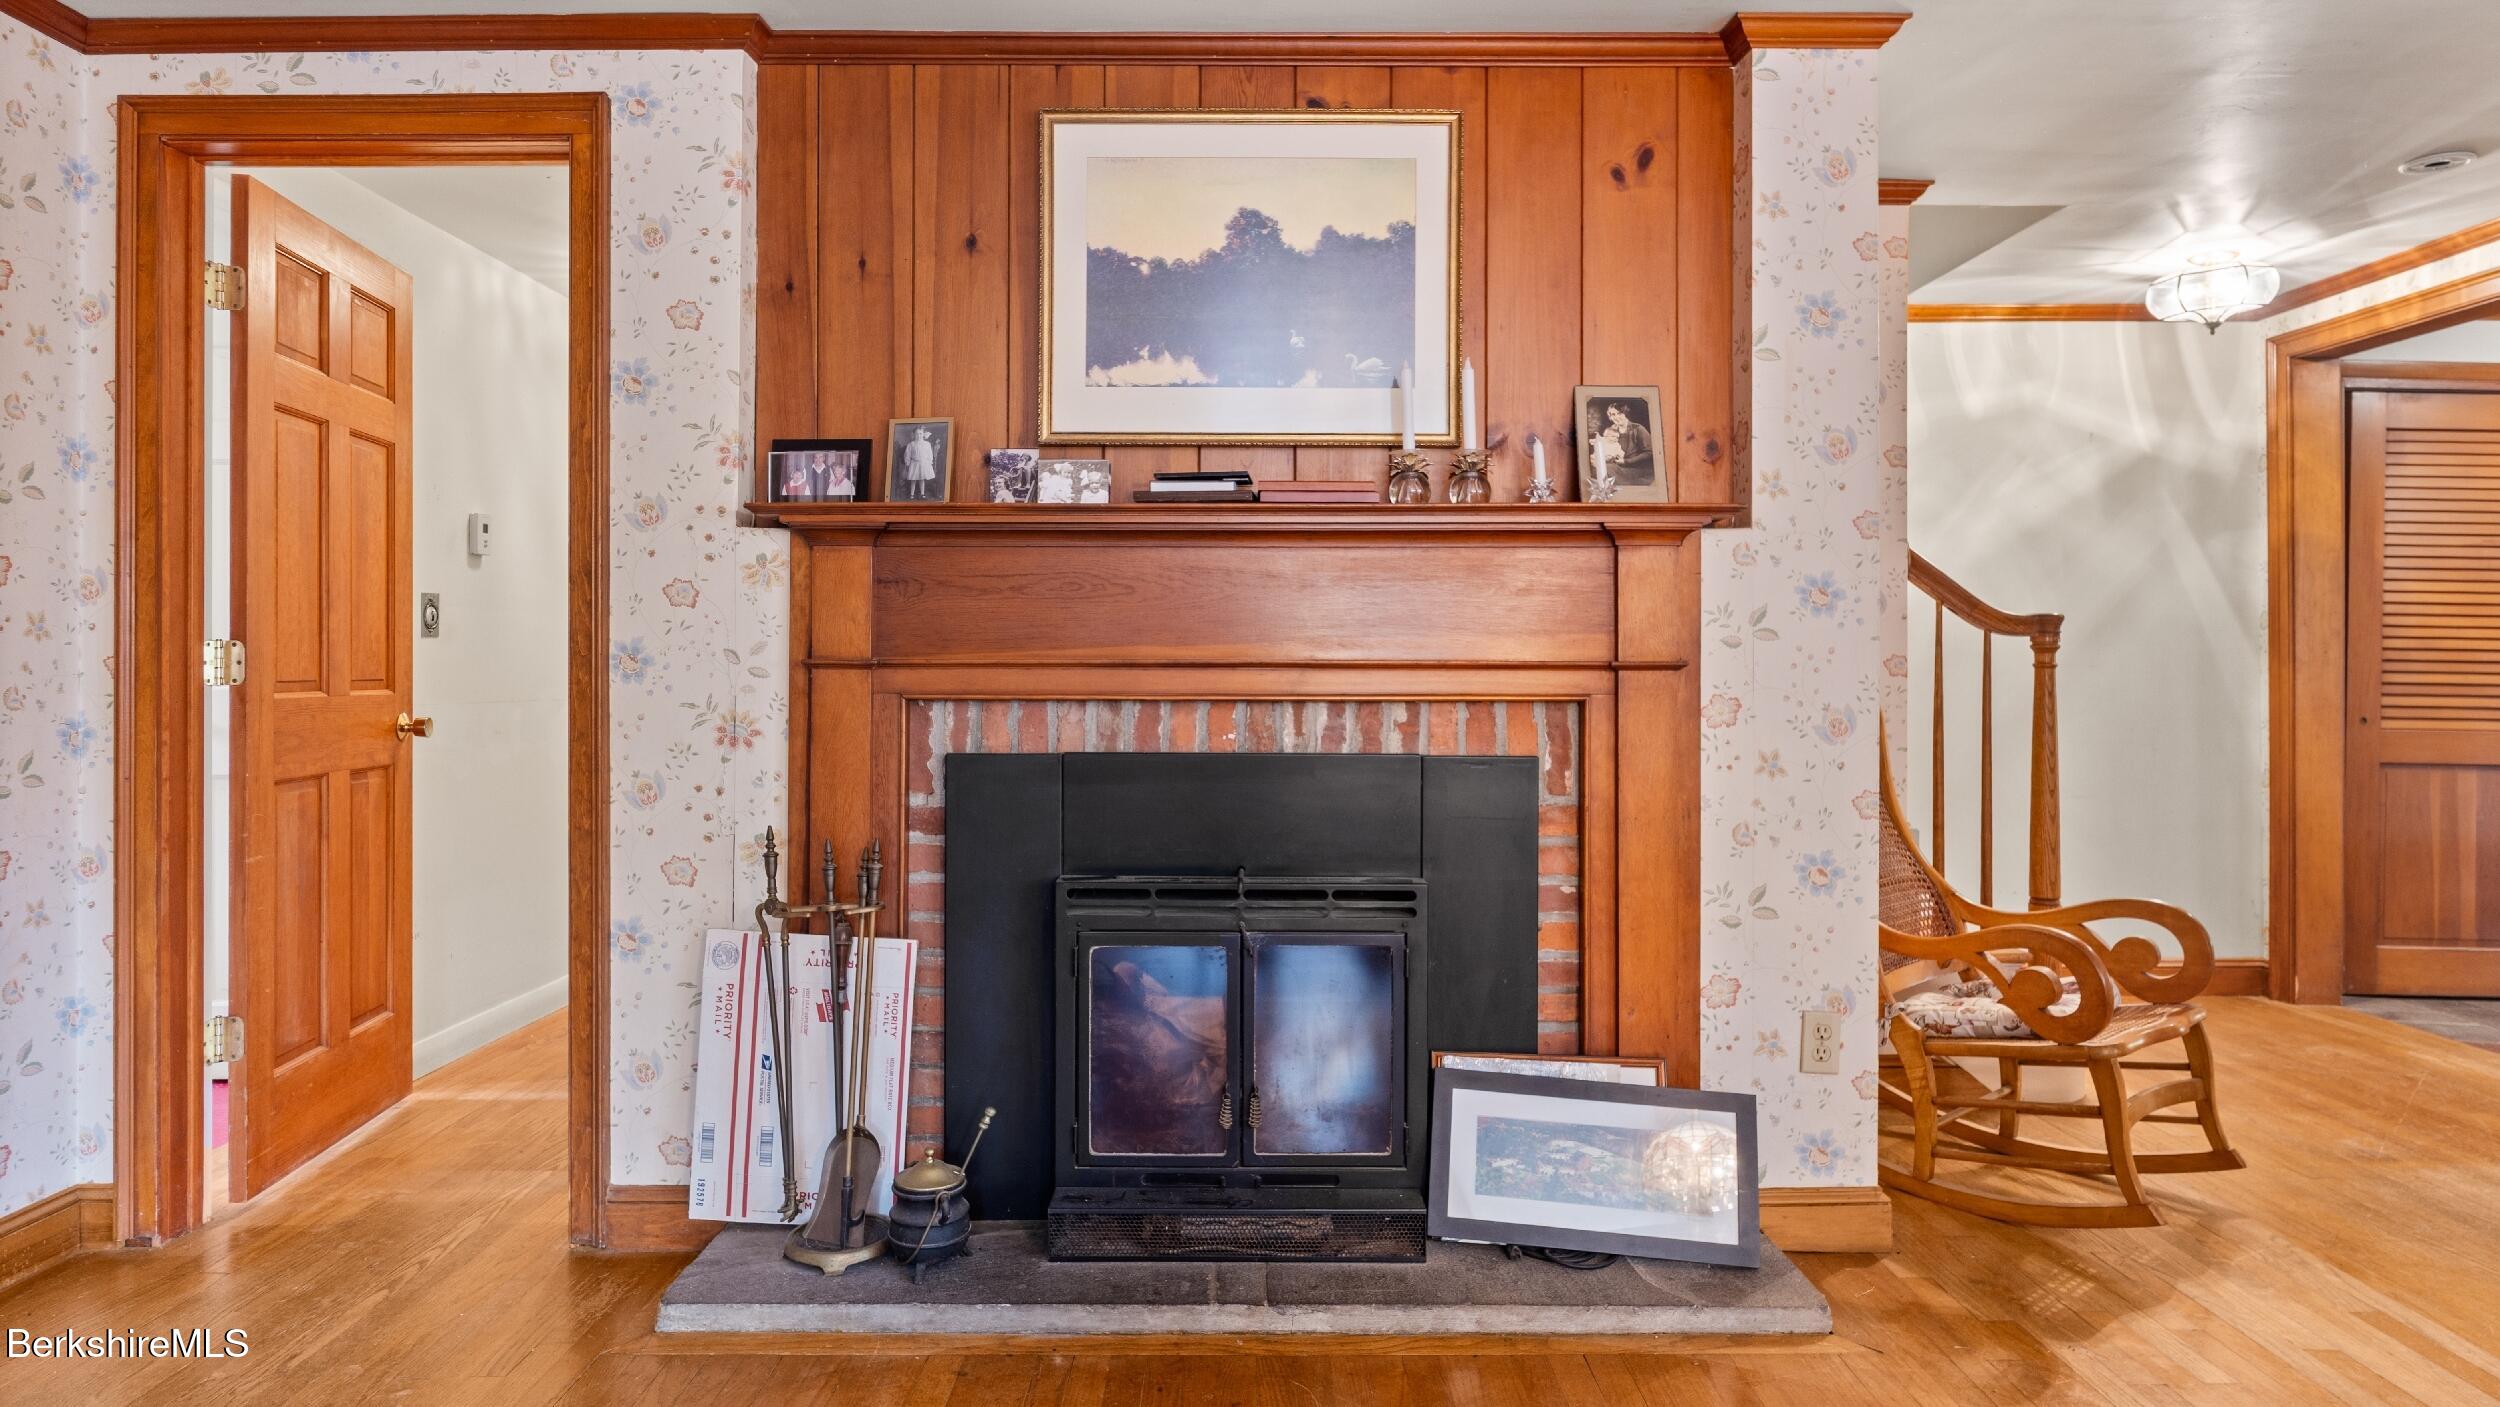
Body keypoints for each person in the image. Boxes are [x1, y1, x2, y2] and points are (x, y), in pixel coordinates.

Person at [1599, 402, 1654, 484]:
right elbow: (1605, 445)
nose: (1616, 417)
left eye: (1620, 413)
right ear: (1610, 417)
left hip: (1637, 469)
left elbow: (1649, 452)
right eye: (1613, 414)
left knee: (1607, 469)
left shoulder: (1638, 428)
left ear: (1626, 414)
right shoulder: (1610, 430)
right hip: (1617, 467)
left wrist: (1627, 461)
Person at [902, 427, 938, 500]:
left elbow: (929, 454)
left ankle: (922, 494)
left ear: (923, 434)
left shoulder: (927, 444)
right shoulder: (911, 444)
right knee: (913, 479)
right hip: (914, 463)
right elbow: (907, 454)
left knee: (922, 479)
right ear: (914, 435)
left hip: (923, 463)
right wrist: (907, 462)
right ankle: (912, 494)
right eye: (917, 434)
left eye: (920, 433)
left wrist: (929, 461)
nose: (919, 435)